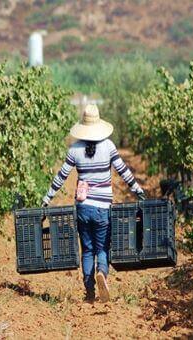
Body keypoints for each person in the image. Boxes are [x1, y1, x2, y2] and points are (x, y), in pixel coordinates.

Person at [42, 104, 146, 303]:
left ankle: (89, 292)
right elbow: (123, 171)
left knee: (87, 250)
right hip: (102, 208)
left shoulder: (75, 150)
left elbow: (61, 176)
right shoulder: (108, 146)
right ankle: (102, 274)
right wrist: (138, 190)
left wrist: (47, 198)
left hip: (82, 209)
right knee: (102, 249)